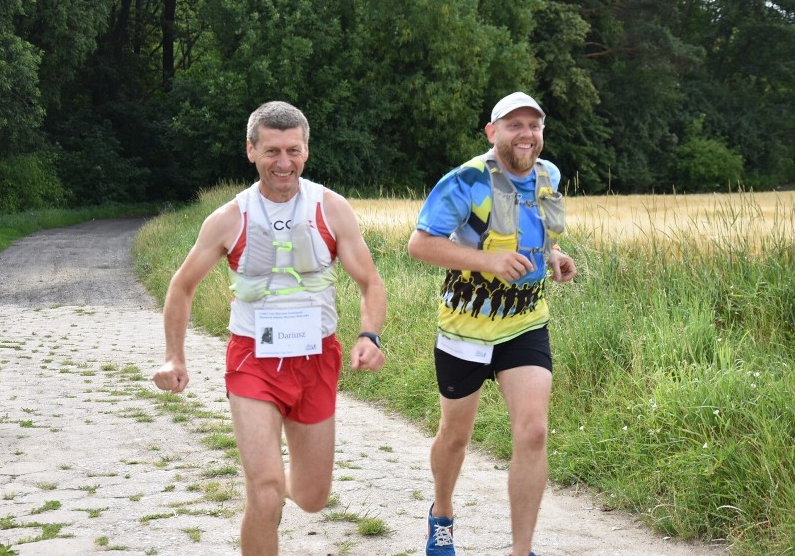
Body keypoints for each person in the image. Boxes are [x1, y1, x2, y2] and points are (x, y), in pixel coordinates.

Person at [152, 101, 387, 555]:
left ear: (306, 150)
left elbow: (370, 281)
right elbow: (181, 288)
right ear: (251, 151)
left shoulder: (331, 209)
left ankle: (279, 491)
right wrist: (173, 355)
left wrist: (369, 334)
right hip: (252, 361)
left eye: (293, 151)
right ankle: (267, 497)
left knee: (314, 497)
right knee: (263, 492)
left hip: (317, 359)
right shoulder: (228, 218)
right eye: (273, 151)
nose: (284, 163)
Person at [408, 92, 577, 556]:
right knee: (456, 437)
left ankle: (522, 550)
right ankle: (441, 514)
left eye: (534, 126)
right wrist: (488, 261)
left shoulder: (549, 175)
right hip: (465, 331)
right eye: (514, 125)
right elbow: (420, 245)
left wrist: (556, 258)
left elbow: (538, 239)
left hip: (526, 323)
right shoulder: (465, 180)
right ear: (493, 132)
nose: (526, 134)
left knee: (533, 430)